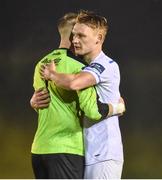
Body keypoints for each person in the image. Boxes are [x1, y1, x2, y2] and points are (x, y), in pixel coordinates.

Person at [31, 12, 125, 179]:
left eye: (81, 35)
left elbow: (76, 84)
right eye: (74, 34)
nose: (75, 40)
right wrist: (33, 101)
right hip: (82, 150)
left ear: (99, 38)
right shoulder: (82, 66)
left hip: (103, 153)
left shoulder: (103, 65)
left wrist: (52, 76)